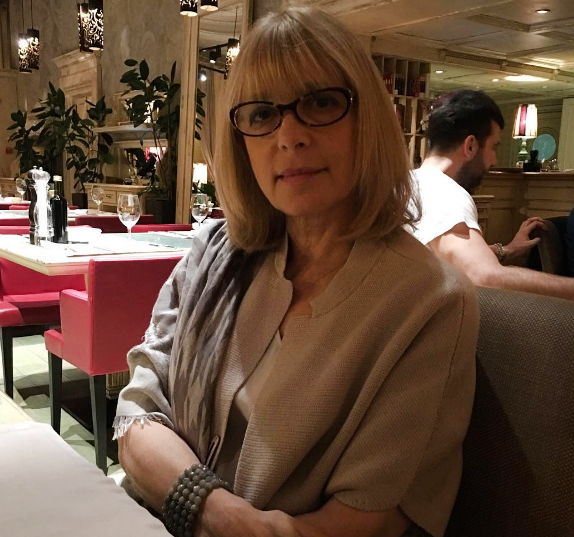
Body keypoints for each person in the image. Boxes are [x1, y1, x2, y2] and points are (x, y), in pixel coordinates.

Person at [113, 8, 479, 537]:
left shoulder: (431, 303)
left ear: (367, 120)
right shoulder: (212, 252)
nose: (289, 136)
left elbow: (368, 516)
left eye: (321, 103)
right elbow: (136, 417)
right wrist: (212, 510)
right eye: (262, 114)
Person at [407, 89, 574, 301]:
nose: (494, 160)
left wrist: (508, 250)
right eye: (494, 147)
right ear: (470, 146)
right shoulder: (445, 193)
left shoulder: (410, 183)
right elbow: (484, 277)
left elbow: (446, 253)